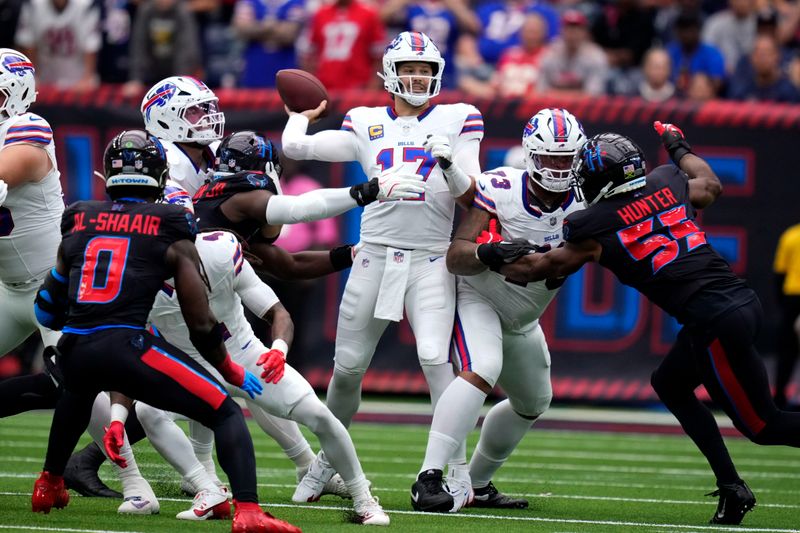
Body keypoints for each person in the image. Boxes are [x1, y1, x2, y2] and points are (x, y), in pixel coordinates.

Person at [498, 123, 800, 525]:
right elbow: (709, 184)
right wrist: (678, 147)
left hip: (715, 321)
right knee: (670, 385)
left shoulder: (593, 226)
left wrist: (488, 250)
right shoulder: (666, 182)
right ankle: (731, 487)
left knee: (764, 425)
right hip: (739, 302)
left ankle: (733, 487)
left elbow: (533, 271)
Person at [30, 130, 301, 533]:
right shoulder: (172, 221)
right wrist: (228, 369)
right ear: (159, 175)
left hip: (77, 346)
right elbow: (200, 321)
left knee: (78, 389)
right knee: (225, 413)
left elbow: (46, 308)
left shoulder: (81, 216)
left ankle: (49, 483)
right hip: (127, 344)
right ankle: (248, 511)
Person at [282, 30, 484, 498]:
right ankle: (325, 464)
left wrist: (449, 165)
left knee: (436, 358)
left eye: (425, 70)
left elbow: (471, 193)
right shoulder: (366, 120)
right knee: (348, 368)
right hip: (374, 253)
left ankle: (454, 469)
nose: (418, 77)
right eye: (410, 69)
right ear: (390, 74)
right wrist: (299, 116)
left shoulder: (459, 117)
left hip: (431, 258)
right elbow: (297, 149)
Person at [129, 226, 390, 524]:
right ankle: (206, 488)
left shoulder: (221, 252)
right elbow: (125, 340)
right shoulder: (138, 272)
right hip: (190, 366)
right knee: (148, 410)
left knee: (319, 415)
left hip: (245, 356)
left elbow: (278, 313)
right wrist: (115, 414)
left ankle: (363, 498)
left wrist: (278, 350)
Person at [410, 108, 586, 512]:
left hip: (525, 317)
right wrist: (489, 252)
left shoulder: (586, 201)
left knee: (533, 402)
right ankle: (429, 477)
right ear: (530, 155)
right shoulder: (502, 186)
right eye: (550, 158)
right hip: (482, 297)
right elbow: (457, 255)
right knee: (483, 367)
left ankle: (478, 483)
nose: (559, 169)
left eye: (566, 159)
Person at [773, 220, 800, 408]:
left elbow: (779, 273)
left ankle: (780, 399)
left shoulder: (791, 235)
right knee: (787, 351)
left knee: (787, 351)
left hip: (793, 297)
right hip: (793, 297)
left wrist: (783, 305)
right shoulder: (790, 235)